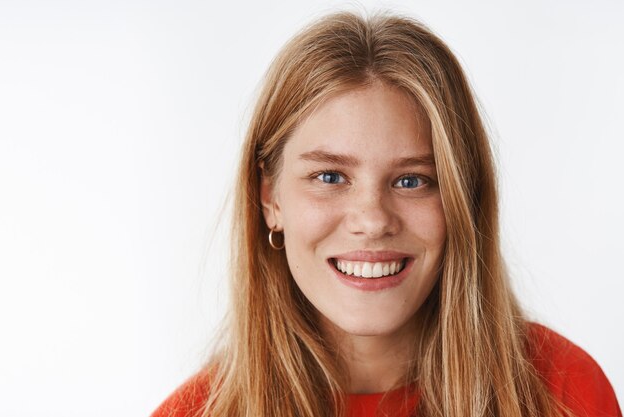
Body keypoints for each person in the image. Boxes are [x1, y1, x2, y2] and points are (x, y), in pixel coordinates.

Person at [152, 11, 621, 417]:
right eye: (330, 177)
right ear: (270, 198)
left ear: (461, 198)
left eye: (412, 180)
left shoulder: (561, 393)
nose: (373, 220)